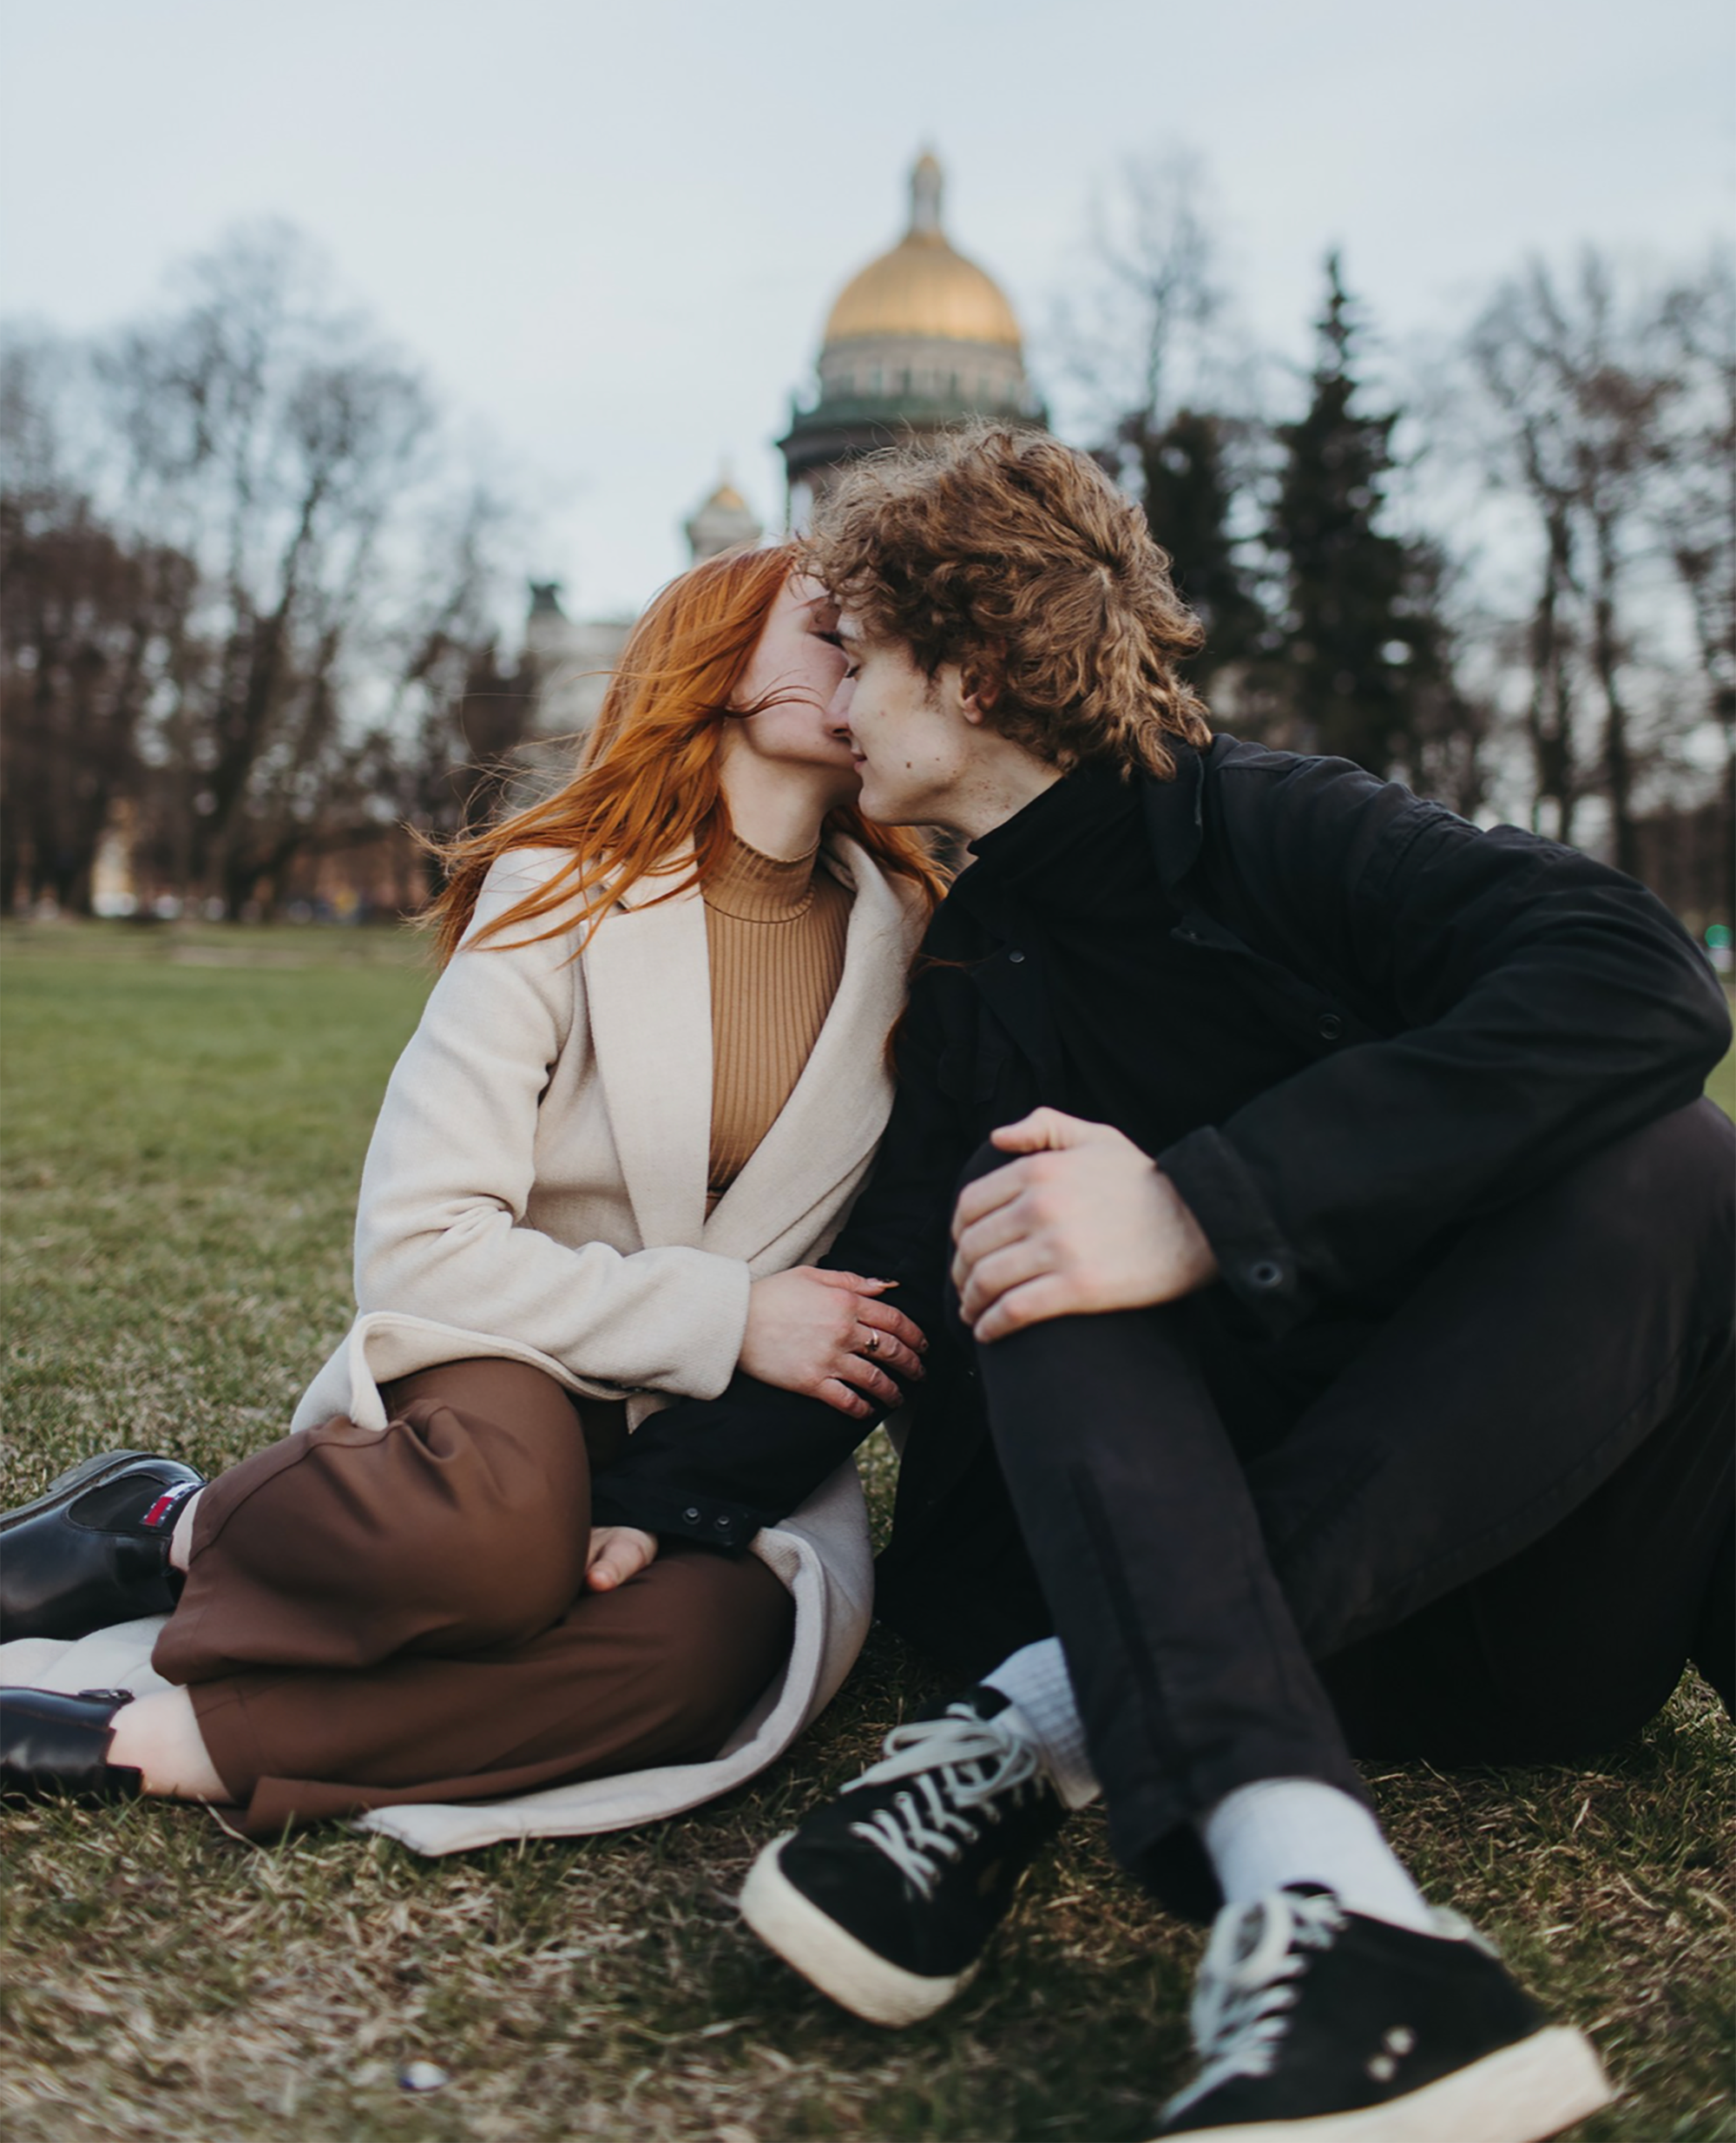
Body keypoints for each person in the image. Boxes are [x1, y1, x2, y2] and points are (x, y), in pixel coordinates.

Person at [576, 429, 1736, 2143]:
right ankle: (1330, 1915)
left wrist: (1203, 1205)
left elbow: (1640, 986)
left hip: (1520, 1588)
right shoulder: (968, 965)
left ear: (964, 678)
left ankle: (1037, 1727)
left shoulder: (1274, 830)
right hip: (1202, 1603)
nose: (842, 698)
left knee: (1680, 1158)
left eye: (865, 654)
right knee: (1027, 1214)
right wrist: (659, 1502)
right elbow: (891, 1283)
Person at [0, 545, 942, 1842]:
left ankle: (147, 1741)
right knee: (497, 1542)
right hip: (518, 1351)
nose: (864, 655)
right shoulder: (556, 885)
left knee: (708, 1652)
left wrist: (730, 1390)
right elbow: (420, 1244)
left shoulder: (924, 937)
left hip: (723, 1434)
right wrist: (730, 1315)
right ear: (718, 657)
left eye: (883, 639)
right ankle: (167, 1523)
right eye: (828, 625)